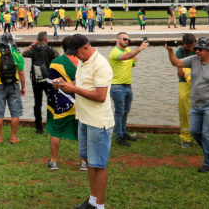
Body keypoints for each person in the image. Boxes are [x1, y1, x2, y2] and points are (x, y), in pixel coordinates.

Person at [55, 34, 113, 209]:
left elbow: (101, 96)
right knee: (88, 161)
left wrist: (75, 89)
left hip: (98, 122)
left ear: (86, 48)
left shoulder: (101, 65)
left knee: (99, 164)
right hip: (84, 119)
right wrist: (66, 84)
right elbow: (79, 83)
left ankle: (100, 206)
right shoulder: (83, 61)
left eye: (77, 53)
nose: (75, 57)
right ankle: (92, 200)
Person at [165, 37, 209, 172]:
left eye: (200, 49)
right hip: (196, 105)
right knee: (194, 131)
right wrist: (170, 51)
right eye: (196, 49)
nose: (197, 51)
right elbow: (176, 63)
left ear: (208, 50)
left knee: (207, 134)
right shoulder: (194, 60)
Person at [45, 39, 82, 171]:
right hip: (81, 100)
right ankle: (84, 162)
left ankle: (53, 161)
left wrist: (51, 105)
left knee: (56, 131)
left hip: (62, 102)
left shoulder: (56, 63)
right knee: (81, 131)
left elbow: (50, 84)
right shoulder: (83, 62)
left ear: (62, 47)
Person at [107, 32, 149, 146]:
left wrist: (134, 60)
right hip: (117, 86)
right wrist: (140, 48)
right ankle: (119, 136)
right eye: (124, 39)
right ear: (118, 40)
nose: (127, 41)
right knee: (120, 111)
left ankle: (123, 132)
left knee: (125, 111)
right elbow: (127, 57)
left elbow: (131, 63)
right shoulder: (115, 52)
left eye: (128, 40)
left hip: (127, 85)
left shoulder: (127, 50)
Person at [0, 33, 25, 144]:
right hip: (14, 84)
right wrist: (23, 87)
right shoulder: (17, 54)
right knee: (15, 112)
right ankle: (13, 137)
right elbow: (21, 73)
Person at [22, 31, 56, 134]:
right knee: (52, 102)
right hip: (49, 79)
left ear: (37, 40)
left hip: (36, 79)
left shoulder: (33, 50)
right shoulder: (51, 50)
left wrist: (33, 44)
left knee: (37, 103)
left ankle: (39, 127)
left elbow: (23, 53)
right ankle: (52, 126)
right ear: (46, 40)